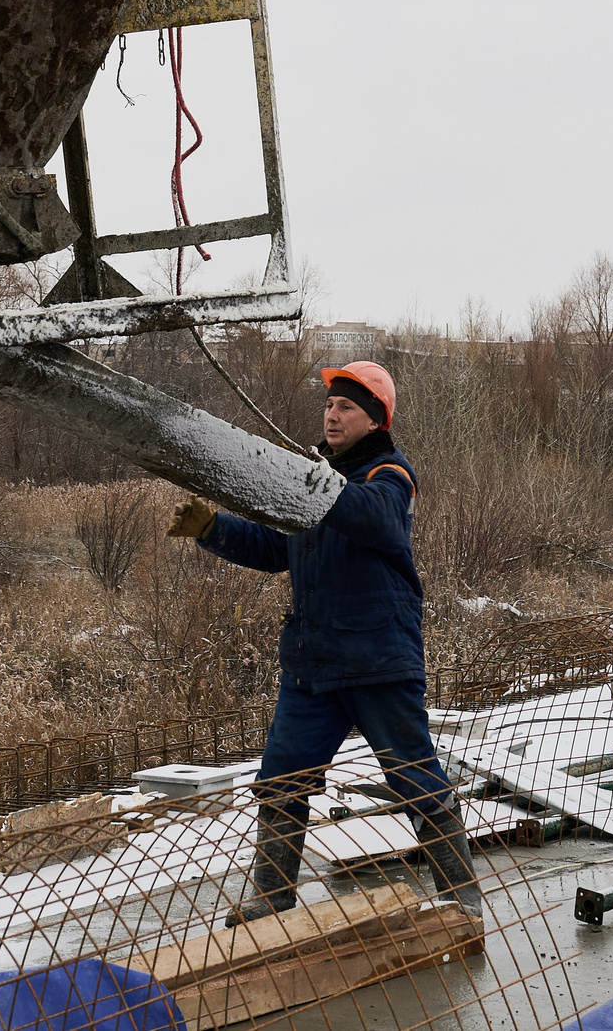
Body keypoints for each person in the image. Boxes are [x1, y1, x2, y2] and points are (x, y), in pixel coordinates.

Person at [168, 360, 481, 921]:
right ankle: (271, 903)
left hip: (378, 661)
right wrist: (214, 529)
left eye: (347, 408)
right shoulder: (315, 482)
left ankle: (462, 898)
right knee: (280, 782)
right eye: (330, 405)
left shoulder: (389, 476)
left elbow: (373, 518)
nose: (332, 415)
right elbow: (276, 548)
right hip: (312, 666)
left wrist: (312, 482)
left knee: (413, 775)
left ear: (375, 422)